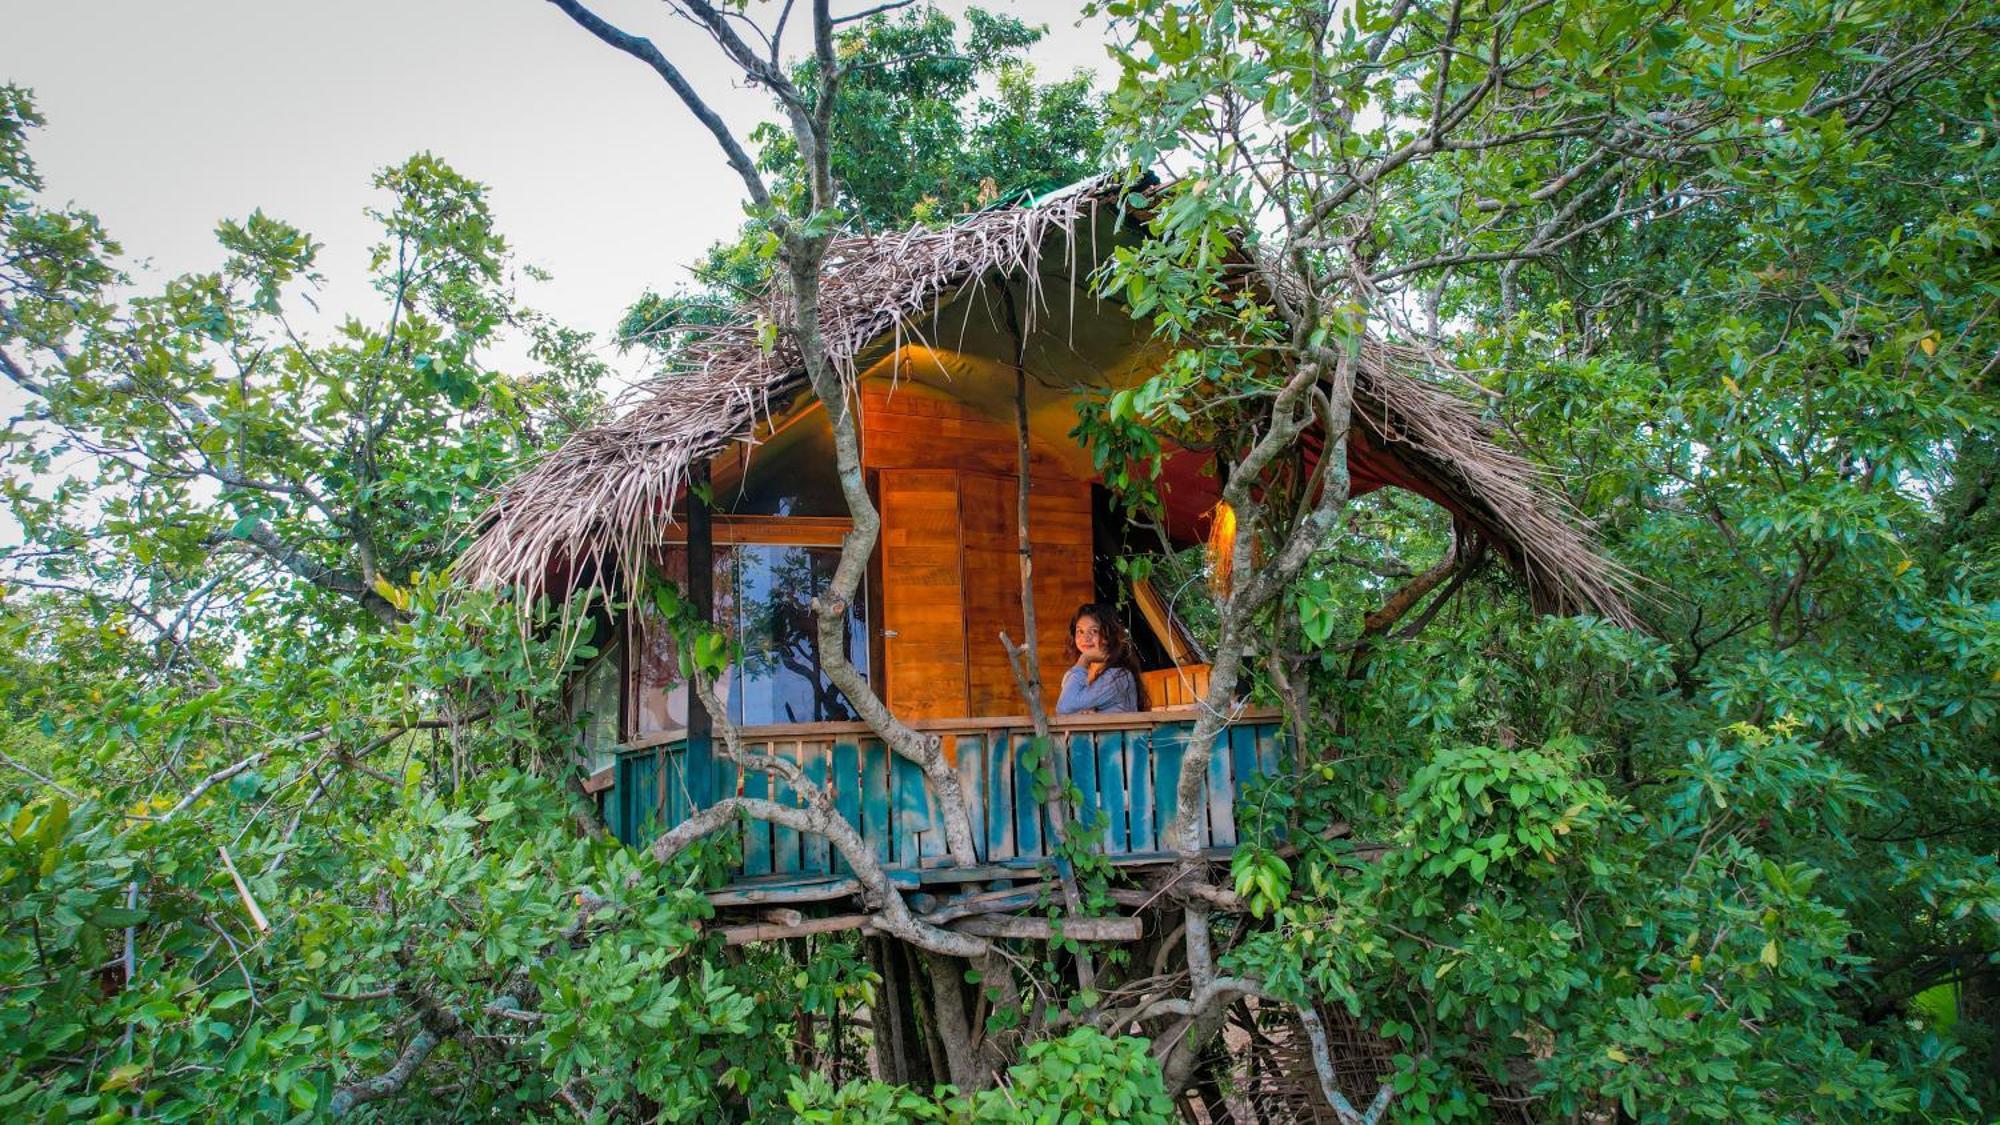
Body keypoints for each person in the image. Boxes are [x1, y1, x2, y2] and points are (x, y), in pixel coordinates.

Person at [1055, 603, 1149, 714]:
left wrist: (1084, 659)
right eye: (1080, 631)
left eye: (1094, 631)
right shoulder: (1079, 674)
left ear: (1108, 636)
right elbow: (1063, 713)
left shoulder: (1118, 676)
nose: (1085, 638)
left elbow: (1065, 707)